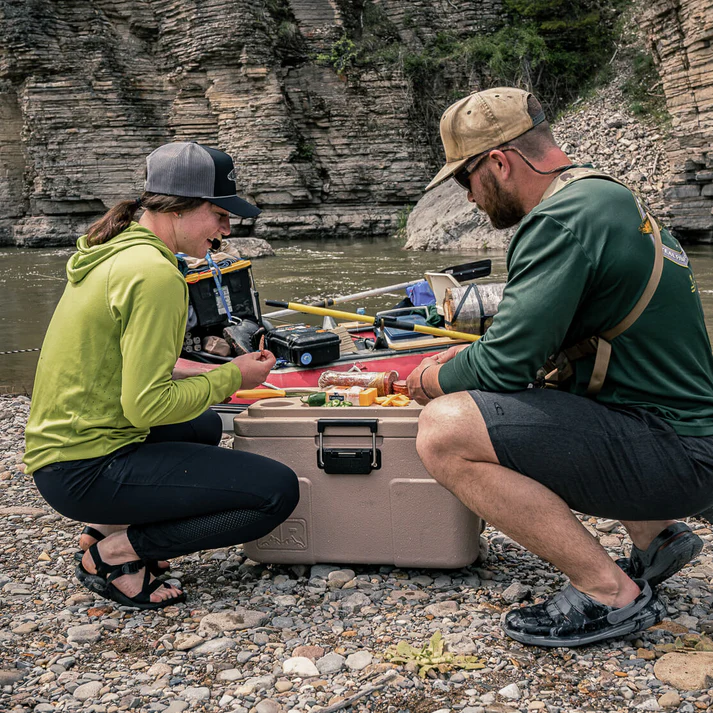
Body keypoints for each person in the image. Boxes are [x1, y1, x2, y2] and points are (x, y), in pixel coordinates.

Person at [406, 88, 713, 647]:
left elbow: (503, 367)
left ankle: (608, 593)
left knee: (444, 430)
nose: (470, 198)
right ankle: (656, 539)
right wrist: (478, 357)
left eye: (464, 180)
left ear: (498, 162)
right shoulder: (604, 196)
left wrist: (429, 379)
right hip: (687, 437)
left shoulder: (558, 221)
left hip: (680, 454)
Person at [24, 142, 299, 610]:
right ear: (179, 209)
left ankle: (104, 529)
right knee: (275, 493)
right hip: (84, 470)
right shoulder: (156, 273)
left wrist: (213, 371)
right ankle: (116, 554)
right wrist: (231, 377)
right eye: (219, 214)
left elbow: (127, 361)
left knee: (205, 425)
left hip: (59, 451)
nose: (227, 230)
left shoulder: (116, 251)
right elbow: (146, 406)